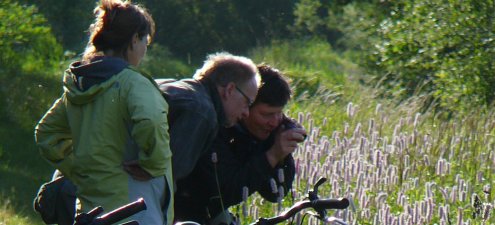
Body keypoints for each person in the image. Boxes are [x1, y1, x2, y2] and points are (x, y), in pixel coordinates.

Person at [34, 0, 174, 224]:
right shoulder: (134, 83)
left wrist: (80, 170)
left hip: (89, 213)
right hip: (134, 211)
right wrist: (153, 165)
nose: (145, 49)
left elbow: (46, 134)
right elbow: (151, 120)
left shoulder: (79, 86)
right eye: (145, 41)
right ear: (134, 39)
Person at [173, 64, 307, 224]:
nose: (275, 121)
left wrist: (282, 155)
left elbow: (276, 193)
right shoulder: (214, 128)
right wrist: (272, 156)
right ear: (245, 104)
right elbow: (225, 192)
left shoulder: (268, 128)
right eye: (267, 114)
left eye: (280, 113)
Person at [157, 52, 261, 182]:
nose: (247, 113)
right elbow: (165, 171)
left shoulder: (168, 85)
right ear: (230, 89)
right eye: (247, 103)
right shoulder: (202, 112)